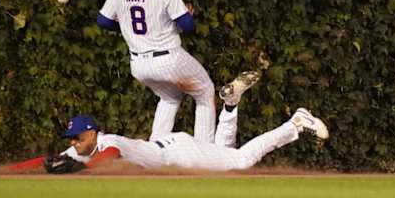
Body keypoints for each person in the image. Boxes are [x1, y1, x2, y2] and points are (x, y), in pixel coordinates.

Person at [43, 71, 329, 173]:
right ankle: (231, 105)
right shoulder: (80, 151)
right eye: (72, 139)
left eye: (78, 137)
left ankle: (295, 123)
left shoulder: (107, 142)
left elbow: (110, 156)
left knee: (240, 161)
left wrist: (77, 171)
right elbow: (49, 161)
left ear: (92, 134)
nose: (73, 142)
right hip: (173, 148)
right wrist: (16, 170)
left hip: (181, 152)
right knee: (224, 152)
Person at [96, 0, 215, 143]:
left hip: (139, 65)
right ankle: (205, 152)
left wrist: (125, 29)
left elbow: (103, 20)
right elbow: (188, 26)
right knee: (205, 91)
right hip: (169, 60)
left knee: (170, 98)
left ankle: (155, 151)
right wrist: (188, 15)